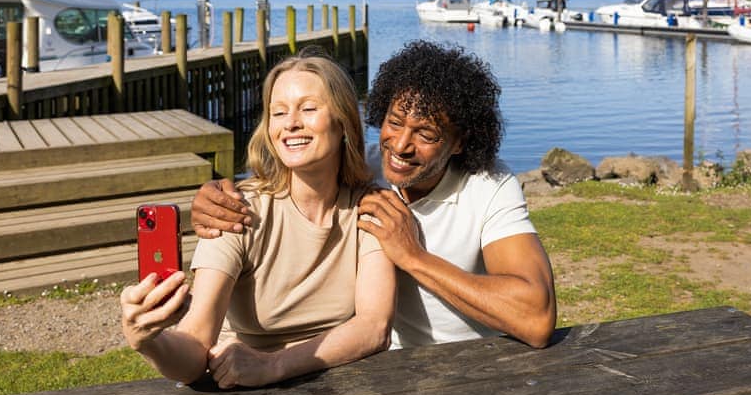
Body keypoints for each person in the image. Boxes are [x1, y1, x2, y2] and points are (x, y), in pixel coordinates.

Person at [191, 40, 556, 350]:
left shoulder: (488, 185)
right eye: (394, 122)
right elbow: (279, 182)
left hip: (474, 362)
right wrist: (213, 195)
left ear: (460, 141)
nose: (400, 146)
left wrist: (413, 257)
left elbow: (536, 318)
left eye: (425, 134)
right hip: (379, 366)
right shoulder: (358, 169)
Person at [120, 49, 396, 388]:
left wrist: (274, 365)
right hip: (238, 385)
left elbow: (374, 328)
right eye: (278, 112)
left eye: (308, 108)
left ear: (343, 123)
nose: (291, 123)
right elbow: (195, 345)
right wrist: (149, 341)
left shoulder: (370, 207)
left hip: (334, 379)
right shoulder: (236, 211)